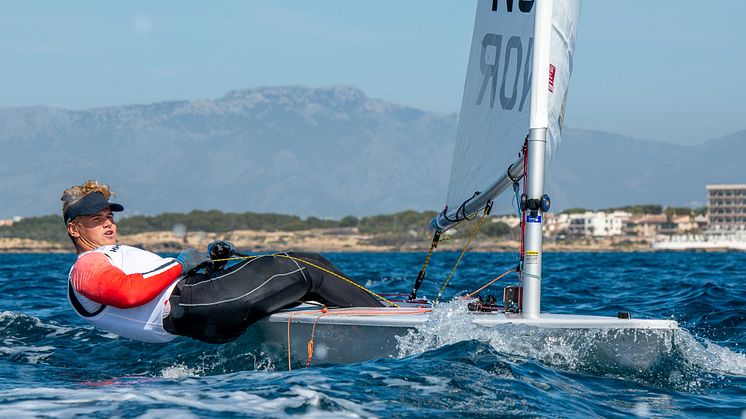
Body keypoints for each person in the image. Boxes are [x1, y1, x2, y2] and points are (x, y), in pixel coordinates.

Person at [63, 180, 381, 344]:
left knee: (306, 261)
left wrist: (208, 266)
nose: (109, 224)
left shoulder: (111, 255)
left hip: (197, 303)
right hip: (191, 306)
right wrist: (181, 264)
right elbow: (128, 294)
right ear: (75, 229)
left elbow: (152, 286)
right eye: (96, 219)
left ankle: (367, 314)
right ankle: (389, 319)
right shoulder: (86, 267)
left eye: (109, 217)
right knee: (306, 270)